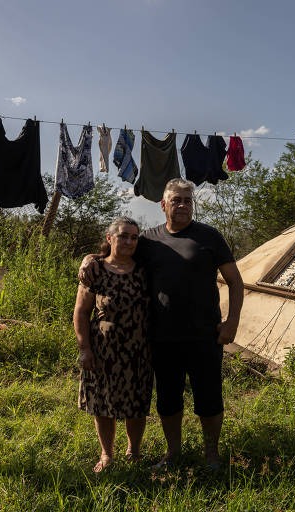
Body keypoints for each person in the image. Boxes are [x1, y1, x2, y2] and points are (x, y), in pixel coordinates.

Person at [137, 178, 244, 470]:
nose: (183, 205)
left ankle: (212, 455)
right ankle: (173, 455)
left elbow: (235, 281)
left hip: (205, 335)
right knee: (168, 401)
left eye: (187, 200)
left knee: (209, 400)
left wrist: (232, 322)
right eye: (176, 200)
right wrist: (89, 259)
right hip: (162, 337)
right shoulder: (148, 240)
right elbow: (115, 257)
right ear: (163, 205)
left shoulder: (210, 237)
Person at [74, 217, 152, 473]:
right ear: (109, 238)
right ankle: (107, 454)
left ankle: (134, 451)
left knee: (136, 403)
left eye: (134, 237)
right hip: (103, 350)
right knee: (103, 403)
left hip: (138, 349)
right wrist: (84, 348)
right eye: (123, 236)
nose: (129, 241)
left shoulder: (144, 268)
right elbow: (81, 312)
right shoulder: (95, 269)